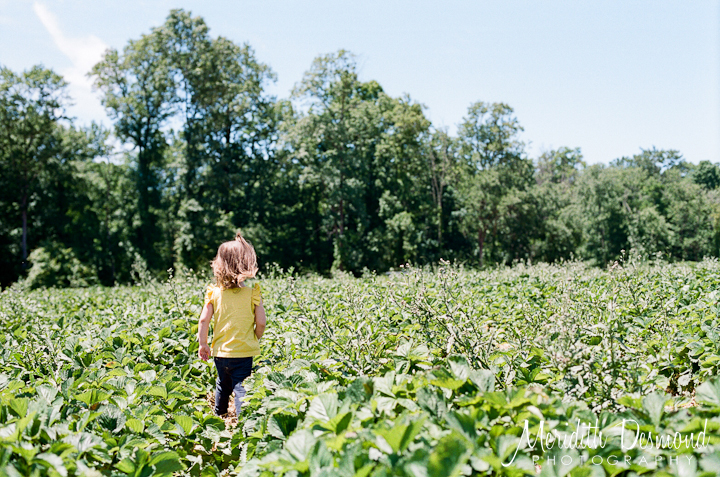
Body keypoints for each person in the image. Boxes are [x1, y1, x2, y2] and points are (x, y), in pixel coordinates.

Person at [197, 231, 267, 416]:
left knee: (223, 383)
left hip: (221, 352)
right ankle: (243, 419)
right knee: (241, 386)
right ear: (246, 265)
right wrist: (255, 337)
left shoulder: (214, 293)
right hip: (244, 351)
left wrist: (203, 343)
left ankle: (219, 415)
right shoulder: (253, 293)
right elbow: (261, 322)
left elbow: (203, 320)